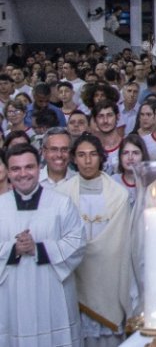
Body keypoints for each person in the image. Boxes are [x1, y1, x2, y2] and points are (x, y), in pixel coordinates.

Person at [0, 143, 86, 347]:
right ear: (8, 172)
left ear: (39, 167)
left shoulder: (61, 203)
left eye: (28, 167)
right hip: (10, 299)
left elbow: (77, 243)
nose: (23, 174)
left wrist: (37, 249)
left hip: (52, 297)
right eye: (15, 169)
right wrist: (13, 249)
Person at [55, 133, 132, 347]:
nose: (87, 161)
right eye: (81, 155)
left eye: (92, 155)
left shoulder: (119, 195)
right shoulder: (61, 196)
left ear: (101, 157)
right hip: (74, 284)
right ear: (74, 159)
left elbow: (121, 244)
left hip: (109, 281)